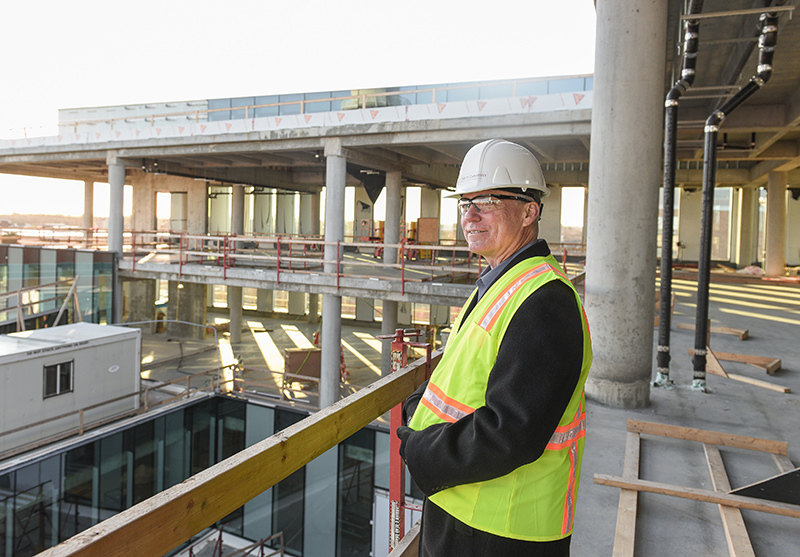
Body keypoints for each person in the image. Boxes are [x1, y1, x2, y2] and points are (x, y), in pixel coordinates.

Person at [396, 139, 593, 556]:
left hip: (502, 528)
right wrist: (417, 410)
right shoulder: (499, 283)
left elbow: (512, 431)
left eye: (486, 201)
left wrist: (422, 450)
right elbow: (458, 369)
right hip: (464, 506)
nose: (470, 215)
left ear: (529, 211)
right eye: (465, 203)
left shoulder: (546, 302)